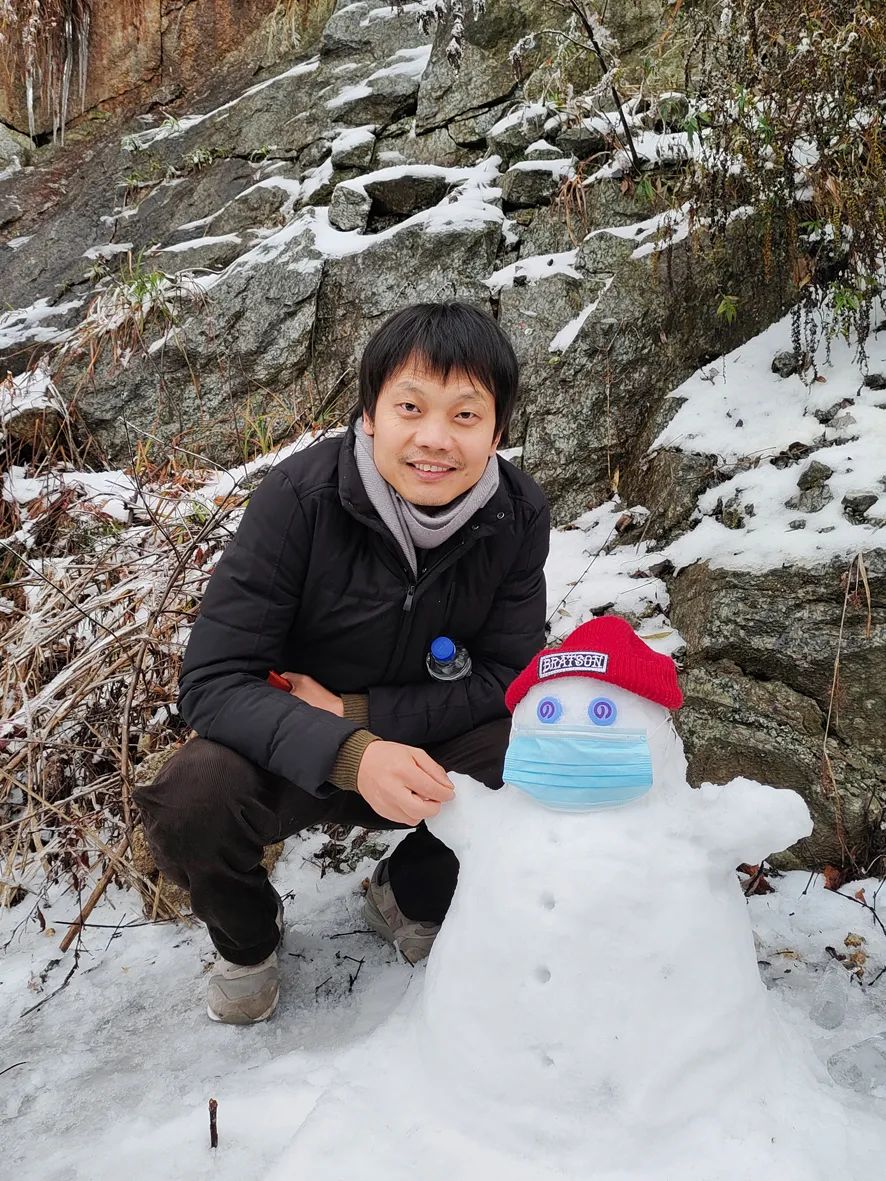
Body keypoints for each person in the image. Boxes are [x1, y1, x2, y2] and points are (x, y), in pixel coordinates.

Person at [135, 301, 550, 1024]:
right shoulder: (300, 498)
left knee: (537, 750)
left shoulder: (514, 514)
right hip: (289, 750)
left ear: (497, 431)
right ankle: (249, 940)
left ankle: (409, 895)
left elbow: (507, 675)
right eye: (410, 407)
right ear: (369, 413)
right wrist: (350, 753)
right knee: (192, 798)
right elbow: (213, 679)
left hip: (424, 740)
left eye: (465, 415)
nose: (434, 438)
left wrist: (361, 715)